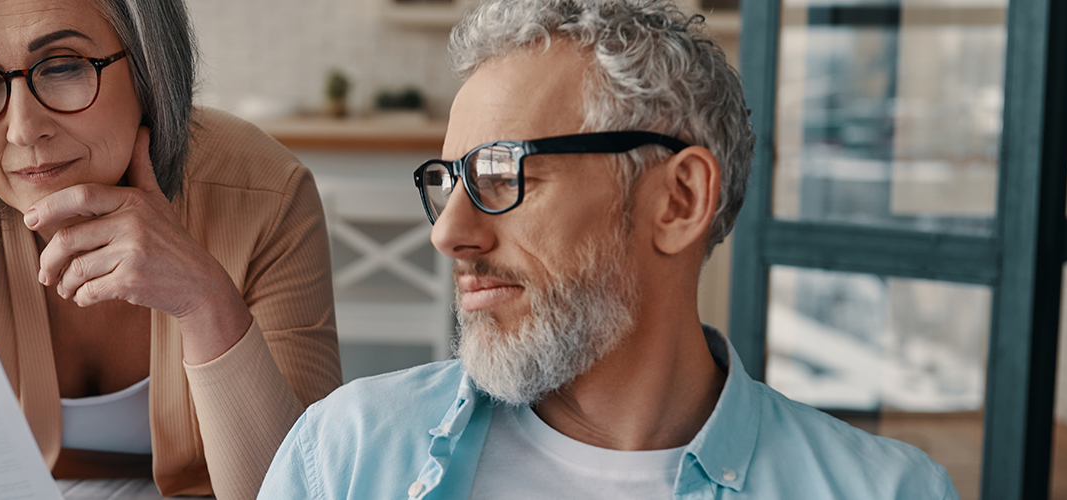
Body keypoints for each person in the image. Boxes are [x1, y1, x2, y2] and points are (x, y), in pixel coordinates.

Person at [258, 0, 958, 498]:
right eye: (449, 181)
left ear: (679, 200)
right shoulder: (344, 459)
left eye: (503, 174)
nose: (448, 233)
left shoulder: (886, 489)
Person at [0, 0, 341, 498]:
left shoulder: (268, 193)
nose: (23, 129)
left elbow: (295, 488)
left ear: (149, 66)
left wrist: (206, 303)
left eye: (63, 67)